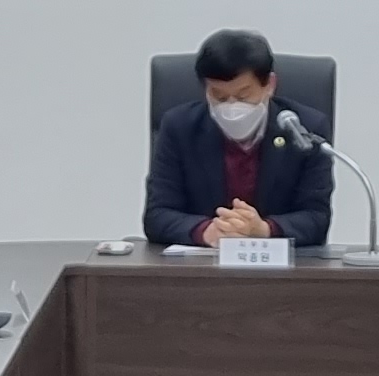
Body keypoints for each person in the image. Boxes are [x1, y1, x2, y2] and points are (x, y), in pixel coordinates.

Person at [143, 29, 334, 250]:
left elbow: (316, 217)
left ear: (270, 85)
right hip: (200, 264)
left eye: (243, 96)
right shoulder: (179, 127)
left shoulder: (304, 129)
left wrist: (264, 229)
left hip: (280, 265)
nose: (232, 106)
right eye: (219, 96)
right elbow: (157, 215)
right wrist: (207, 231)